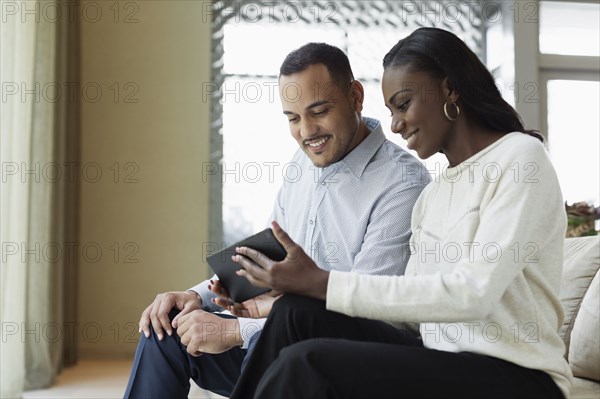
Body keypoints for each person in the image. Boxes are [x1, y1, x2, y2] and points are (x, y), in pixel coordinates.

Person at [230, 27, 572, 399]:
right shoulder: (435, 193)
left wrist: (322, 282)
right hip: (442, 359)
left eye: (404, 103)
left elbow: (473, 294)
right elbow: (411, 315)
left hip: (518, 376)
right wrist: (286, 295)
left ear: (450, 89)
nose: (394, 124)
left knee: (307, 363)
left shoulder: (520, 158)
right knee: (295, 312)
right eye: (391, 110)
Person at [123, 43, 430, 398]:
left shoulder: (402, 185)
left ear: (356, 96)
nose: (306, 131)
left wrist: (237, 332)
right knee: (163, 332)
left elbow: (369, 317)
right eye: (293, 118)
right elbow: (263, 267)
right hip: (276, 338)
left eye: (319, 111)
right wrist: (195, 296)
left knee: (266, 349)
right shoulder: (301, 166)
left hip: (347, 367)